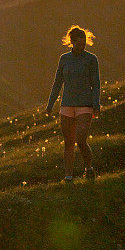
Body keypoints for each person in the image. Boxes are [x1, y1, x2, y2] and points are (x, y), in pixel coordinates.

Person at [46, 25, 101, 182]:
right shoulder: (64, 59)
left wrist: (96, 104)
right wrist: (50, 105)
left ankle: (89, 167)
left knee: (81, 139)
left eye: (83, 44)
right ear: (71, 42)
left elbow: (96, 83)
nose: (81, 47)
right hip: (67, 105)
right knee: (69, 142)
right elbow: (57, 82)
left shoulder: (91, 59)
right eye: (78, 44)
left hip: (85, 104)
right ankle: (68, 177)